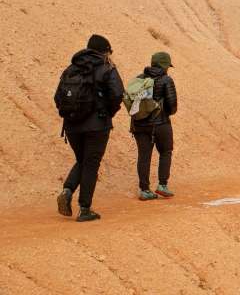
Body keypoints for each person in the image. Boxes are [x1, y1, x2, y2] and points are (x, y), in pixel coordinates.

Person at [54, 34, 124, 222]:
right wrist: (107, 112)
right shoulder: (107, 67)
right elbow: (117, 94)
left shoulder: (71, 69)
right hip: (97, 125)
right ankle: (85, 208)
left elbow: (57, 97)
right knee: (91, 164)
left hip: (71, 126)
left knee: (82, 159)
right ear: (105, 51)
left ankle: (68, 190)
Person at [130, 52, 179, 200]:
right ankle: (162, 185)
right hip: (160, 124)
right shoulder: (166, 80)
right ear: (165, 65)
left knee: (144, 156)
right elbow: (172, 106)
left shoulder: (139, 79)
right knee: (166, 152)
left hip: (139, 125)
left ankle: (144, 190)